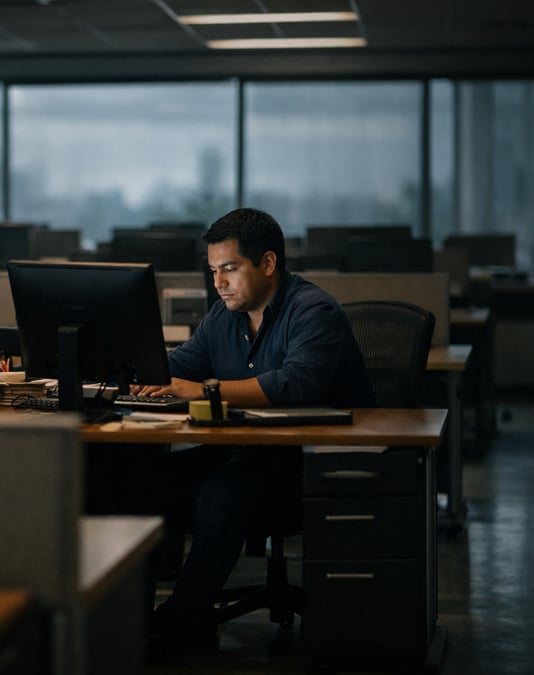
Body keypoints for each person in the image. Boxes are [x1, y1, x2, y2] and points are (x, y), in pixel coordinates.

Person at [131, 207, 375, 660]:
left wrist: (203, 388)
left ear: (267, 263)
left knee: (222, 493)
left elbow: (295, 383)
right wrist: (119, 363)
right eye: (213, 272)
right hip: (241, 452)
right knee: (142, 483)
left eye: (230, 269)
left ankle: (183, 621)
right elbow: (174, 369)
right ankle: (130, 620)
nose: (219, 282)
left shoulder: (313, 310)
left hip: (309, 465)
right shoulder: (223, 318)